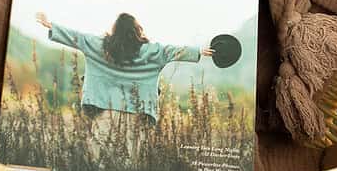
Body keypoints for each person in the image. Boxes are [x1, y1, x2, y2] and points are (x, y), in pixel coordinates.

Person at [36, 11, 213, 161]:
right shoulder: (151, 51)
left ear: (115, 31)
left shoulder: (99, 47)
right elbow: (173, 51)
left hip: (105, 111)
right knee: (131, 161)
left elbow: (77, 37)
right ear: (137, 31)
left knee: (100, 160)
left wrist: (50, 25)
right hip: (137, 114)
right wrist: (199, 51)